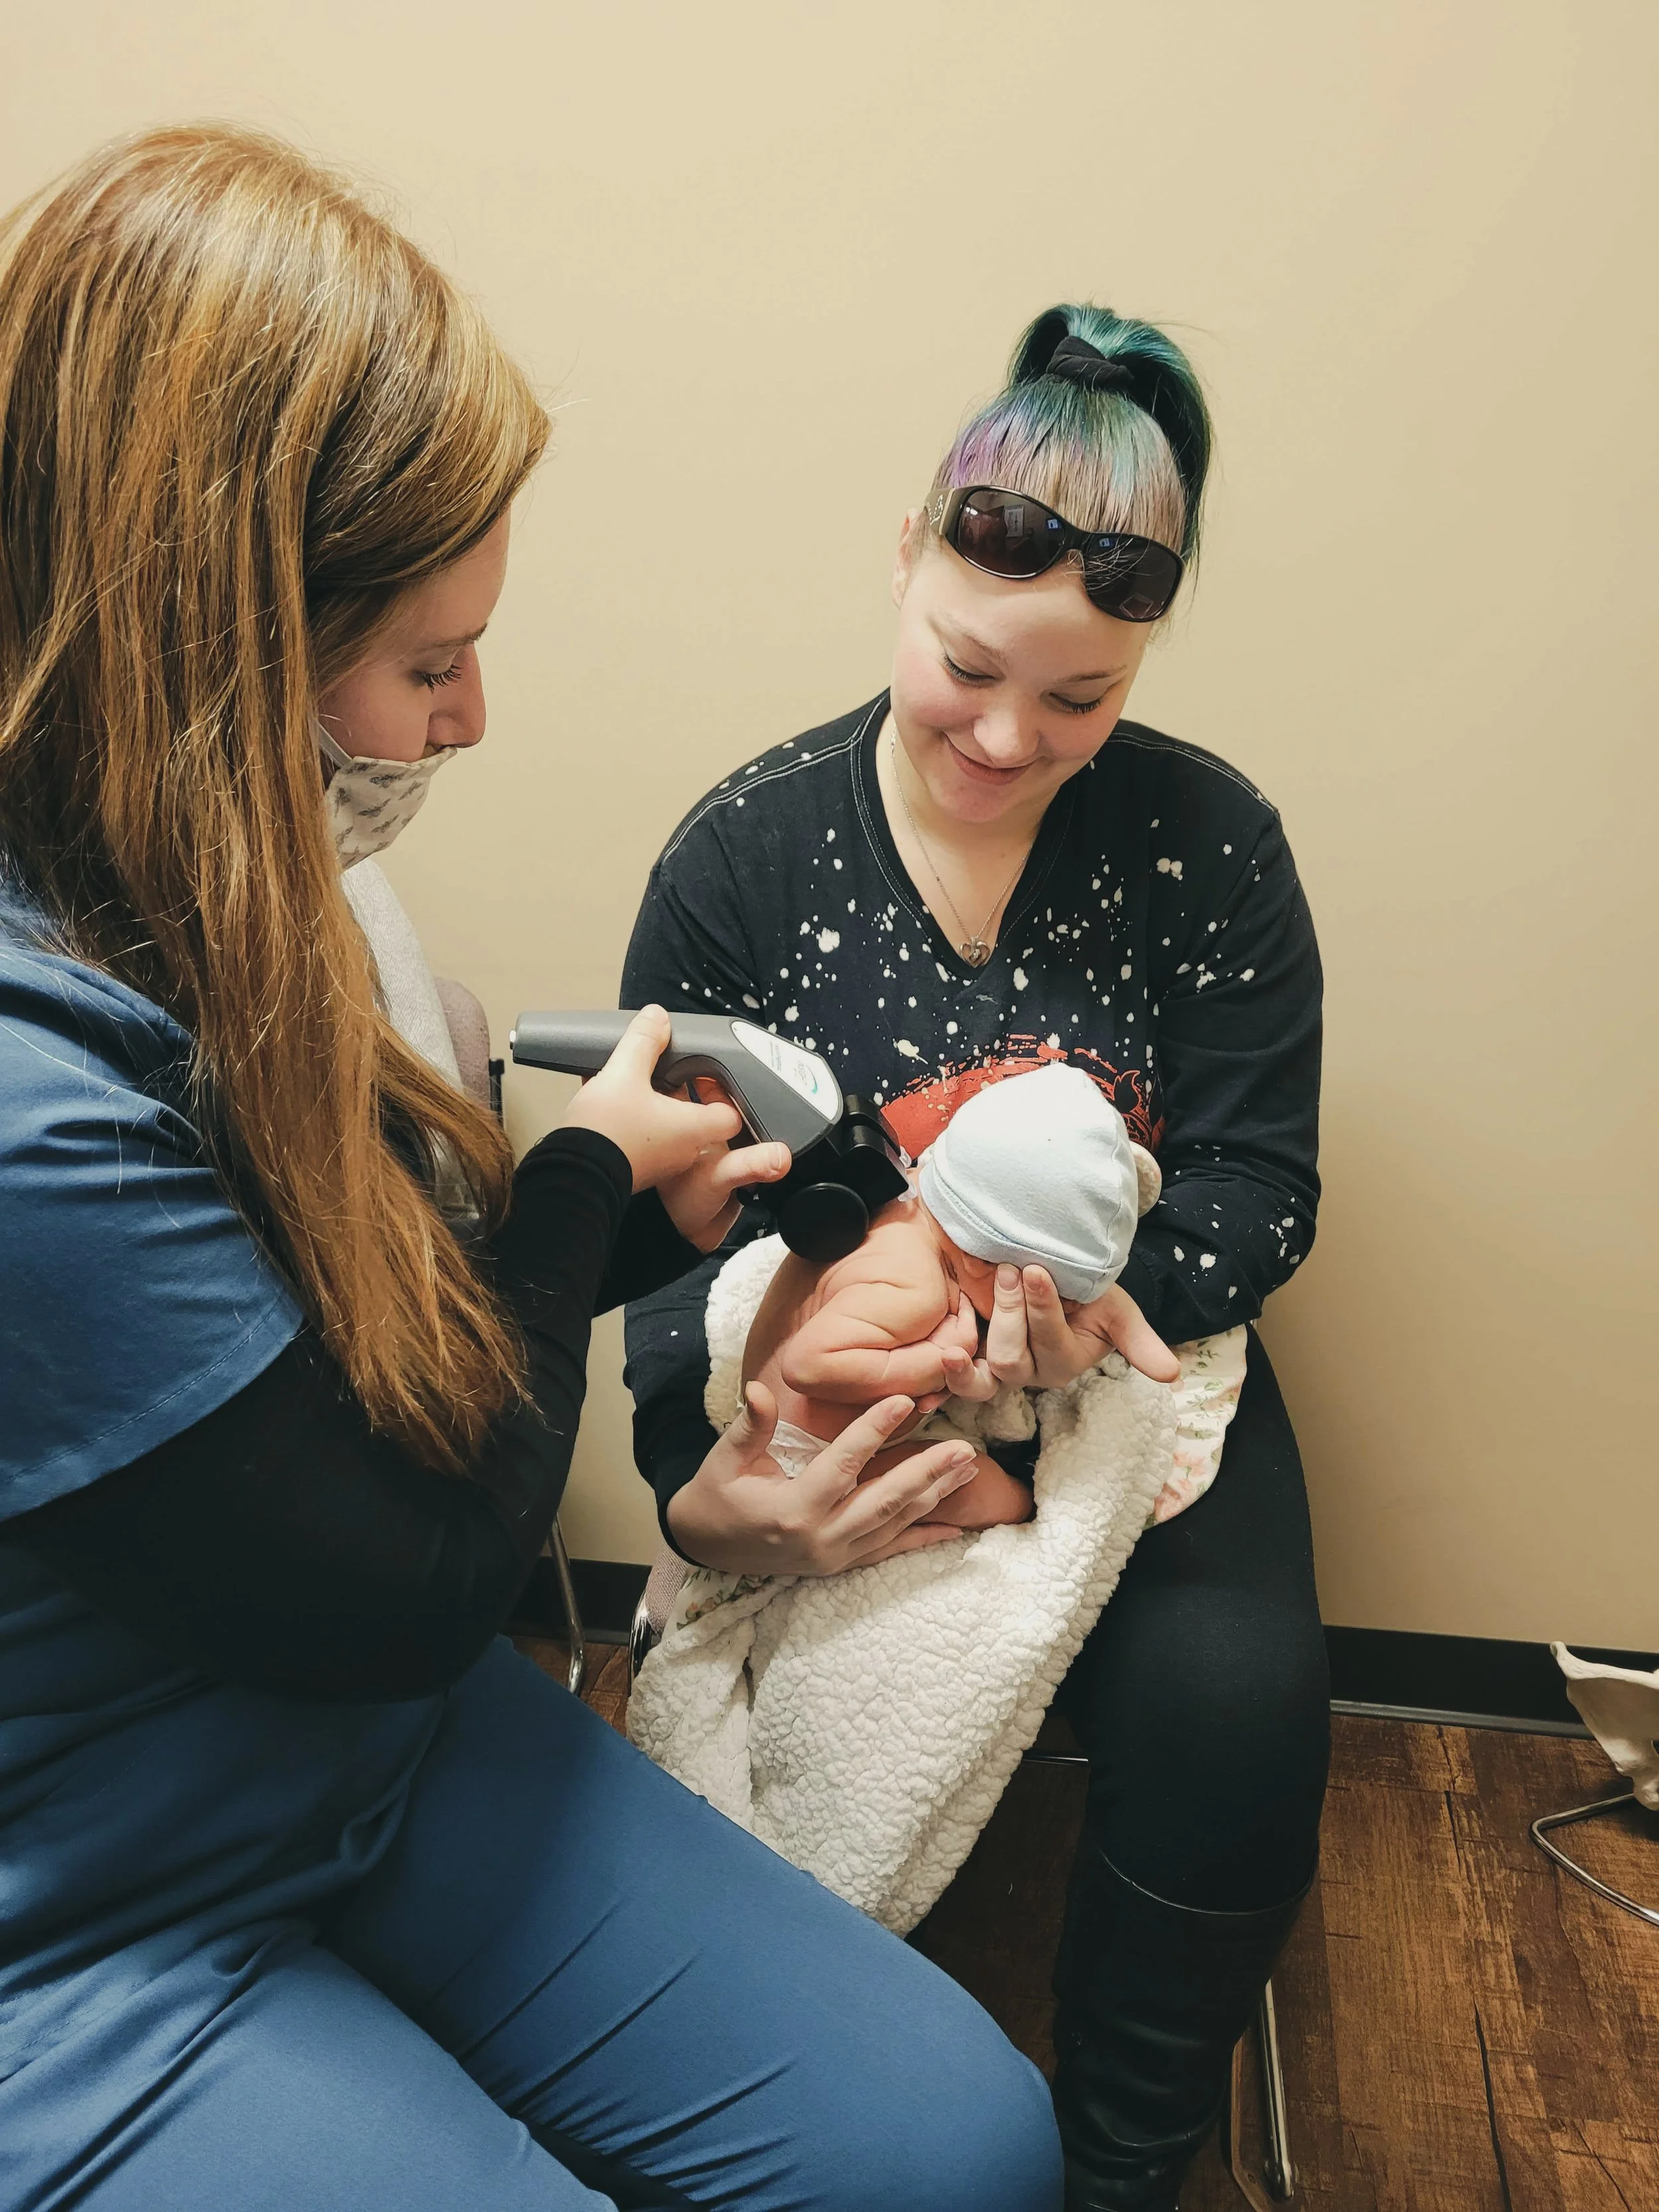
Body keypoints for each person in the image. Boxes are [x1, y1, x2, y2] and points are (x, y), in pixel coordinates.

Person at [0, 127, 1062, 2211]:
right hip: (89, 1887)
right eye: (425, 663)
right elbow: (404, 1578)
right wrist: (566, 1199)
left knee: (958, 2148)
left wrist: (597, 1217)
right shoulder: (27, 1094)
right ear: (209, 649)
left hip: (365, 1739)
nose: (470, 717)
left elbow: (311, 1370)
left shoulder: (233, 880)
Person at [623, 306, 1332, 2210]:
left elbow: (1257, 1186)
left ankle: (1120, 2163)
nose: (1009, 740)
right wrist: (713, 1475)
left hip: (1121, 1367)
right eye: (965, 668)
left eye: (1080, 699)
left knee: (1237, 1708)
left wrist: (1097, 1312)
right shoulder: (742, 862)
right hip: (832, 1363)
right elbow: (665, 1246)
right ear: (903, 564)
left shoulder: (1206, 845)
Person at [741, 1062, 1177, 1529]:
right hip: (805, 1467)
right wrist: (937, 1366)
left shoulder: (908, 1194)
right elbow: (807, 1364)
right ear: (982, 1261)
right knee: (983, 1487)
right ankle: (1015, 1507)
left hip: (773, 1422)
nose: (1062, 1311)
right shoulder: (916, 1288)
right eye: (1054, 1295)